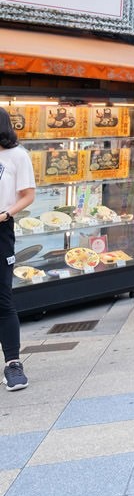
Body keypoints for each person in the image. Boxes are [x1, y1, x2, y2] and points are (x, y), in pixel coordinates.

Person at [0, 107, 34, 391]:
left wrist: (6, 214)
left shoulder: (17, 156)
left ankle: (13, 364)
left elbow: (28, 195)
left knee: (2, 298)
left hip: (0, 229)